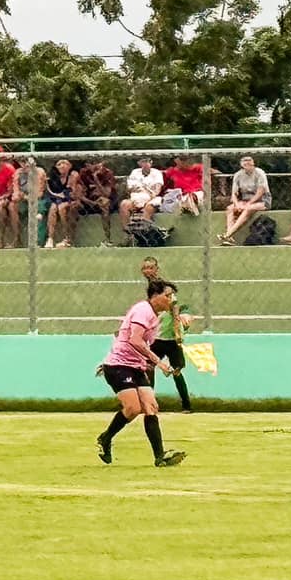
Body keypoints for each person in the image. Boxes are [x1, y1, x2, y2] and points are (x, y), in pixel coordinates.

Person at [95, 278, 187, 468]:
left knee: (151, 407)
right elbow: (135, 340)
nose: (171, 300)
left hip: (135, 366)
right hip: (119, 365)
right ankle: (106, 438)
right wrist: (158, 363)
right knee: (133, 408)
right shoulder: (143, 310)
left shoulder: (154, 316)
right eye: (168, 296)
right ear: (155, 296)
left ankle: (159, 456)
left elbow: (130, 337)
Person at [139, 255, 198, 413]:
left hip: (171, 338)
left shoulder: (165, 289)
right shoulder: (151, 292)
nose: (147, 271)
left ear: (157, 269)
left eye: (151, 267)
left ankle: (186, 405)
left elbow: (176, 307)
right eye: (145, 268)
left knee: (177, 370)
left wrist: (179, 330)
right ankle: (149, 403)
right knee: (148, 367)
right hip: (157, 338)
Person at [222, 155, 271, 243]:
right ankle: (229, 239)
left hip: (262, 200)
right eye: (245, 161)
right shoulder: (238, 175)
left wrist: (249, 203)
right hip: (244, 200)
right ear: (241, 164)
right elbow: (234, 194)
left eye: (249, 161)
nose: (247, 163)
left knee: (248, 209)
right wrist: (237, 205)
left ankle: (228, 234)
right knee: (230, 208)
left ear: (253, 163)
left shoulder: (260, 173)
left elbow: (260, 192)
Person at [74, 159, 118, 245]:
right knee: (73, 206)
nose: (96, 165)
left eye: (97, 162)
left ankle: (107, 239)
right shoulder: (83, 173)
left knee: (105, 203)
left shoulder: (107, 173)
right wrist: (91, 203)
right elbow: (79, 194)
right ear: (87, 165)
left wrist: (96, 178)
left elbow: (106, 194)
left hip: (106, 201)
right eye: (91, 163)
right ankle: (69, 239)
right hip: (90, 201)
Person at [121, 156, 166, 240]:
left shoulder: (156, 173)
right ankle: (127, 235)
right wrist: (141, 191)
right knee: (124, 204)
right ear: (139, 163)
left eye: (148, 161)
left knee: (148, 207)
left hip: (152, 198)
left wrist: (144, 193)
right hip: (136, 198)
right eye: (144, 161)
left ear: (151, 162)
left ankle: (144, 236)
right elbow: (130, 188)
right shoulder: (135, 172)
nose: (146, 163)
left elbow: (156, 191)